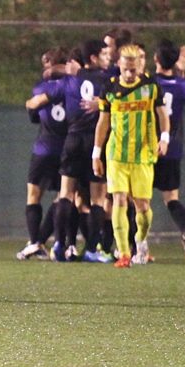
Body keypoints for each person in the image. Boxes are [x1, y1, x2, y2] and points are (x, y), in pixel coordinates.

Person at [25, 41, 109, 262]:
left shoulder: (68, 82)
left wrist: (30, 102)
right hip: (95, 143)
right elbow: (116, 100)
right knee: (97, 199)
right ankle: (91, 249)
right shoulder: (105, 79)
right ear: (92, 58)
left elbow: (36, 103)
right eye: (105, 54)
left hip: (71, 141)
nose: (108, 58)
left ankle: (60, 245)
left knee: (66, 194)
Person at [93, 43, 170, 268]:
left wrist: (164, 138)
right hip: (116, 154)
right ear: (118, 65)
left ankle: (140, 239)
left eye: (132, 70)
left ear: (140, 66)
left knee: (143, 208)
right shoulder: (109, 87)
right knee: (118, 199)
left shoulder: (151, 86)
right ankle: (124, 254)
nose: (128, 74)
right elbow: (103, 122)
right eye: (124, 69)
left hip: (143, 154)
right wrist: (96, 154)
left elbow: (162, 114)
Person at [153, 39, 185, 264]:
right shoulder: (181, 85)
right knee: (171, 199)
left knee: (137, 200)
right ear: (175, 62)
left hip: (148, 147)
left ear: (155, 59)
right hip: (172, 149)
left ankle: (136, 247)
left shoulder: (148, 83)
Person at [16, 47, 67, 260]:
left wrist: (30, 106)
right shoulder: (74, 84)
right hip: (66, 148)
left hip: (44, 148)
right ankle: (44, 242)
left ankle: (36, 242)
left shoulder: (41, 88)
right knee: (63, 196)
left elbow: (34, 114)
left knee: (34, 195)